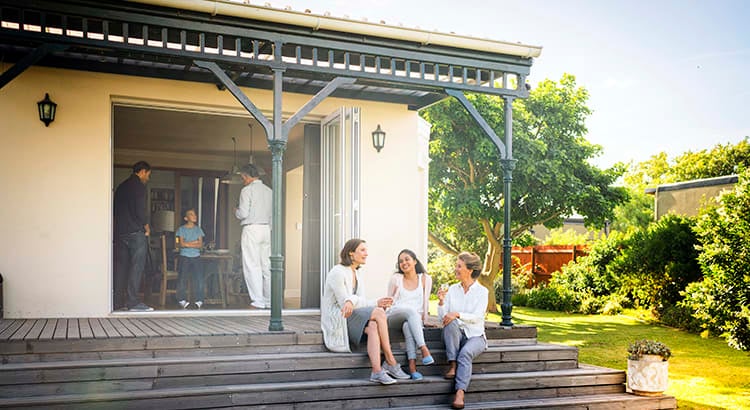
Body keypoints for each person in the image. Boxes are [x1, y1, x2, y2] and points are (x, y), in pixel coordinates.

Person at [321, 238, 411, 385]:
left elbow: (358, 302)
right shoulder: (337, 272)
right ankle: (390, 360)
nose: (366, 254)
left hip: (352, 316)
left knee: (374, 325)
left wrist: (374, 302)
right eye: (362, 250)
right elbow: (345, 302)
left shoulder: (357, 274)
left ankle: (376, 371)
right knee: (379, 312)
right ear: (351, 253)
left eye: (366, 250)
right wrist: (374, 303)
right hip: (339, 317)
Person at [437, 252, 488, 410]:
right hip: (455, 334)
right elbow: (443, 318)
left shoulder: (482, 292)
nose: (455, 269)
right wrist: (441, 302)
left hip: (476, 336)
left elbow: (477, 317)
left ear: (470, 270)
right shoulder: (452, 289)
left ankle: (460, 393)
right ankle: (453, 364)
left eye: (459, 266)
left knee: (465, 353)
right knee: (450, 323)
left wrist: (457, 314)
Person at [386, 249, 435, 380]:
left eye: (407, 259)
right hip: (395, 315)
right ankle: (424, 349)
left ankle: (412, 368)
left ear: (415, 261)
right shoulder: (396, 278)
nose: (404, 263)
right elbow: (388, 301)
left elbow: (426, 301)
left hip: (414, 319)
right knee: (410, 311)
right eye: (401, 261)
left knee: (408, 326)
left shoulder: (425, 279)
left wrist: (425, 320)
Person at [113, 161, 153, 312]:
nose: (147, 178)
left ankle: (117, 302)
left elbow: (115, 210)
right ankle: (133, 302)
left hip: (120, 232)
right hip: (135, 232)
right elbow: (140, 210)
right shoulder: (139, 187)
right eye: (148, 175)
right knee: (137, 267)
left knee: (121, 267)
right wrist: (146, 226)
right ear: (142, 171)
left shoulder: (121, 187)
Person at [234, 163, 272, 309]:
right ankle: (269, 300)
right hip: (266, 229)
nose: (243, 179)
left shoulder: (246, 190)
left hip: (251, 229)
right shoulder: (269, 191)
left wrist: (236, 211)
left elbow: (243, 213)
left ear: (246, 176)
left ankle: (258, 301)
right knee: (266, 266)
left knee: (252, 265)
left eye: (243, 177)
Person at [176, 208, 205, 309]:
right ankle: (181, 299)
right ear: (185, 218)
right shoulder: (181, 229)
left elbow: (200, 244)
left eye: (195, 214)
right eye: (191, 214)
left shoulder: (198, 229)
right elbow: (180, 244)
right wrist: (194, 243)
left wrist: (187, 243)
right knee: (182, 278)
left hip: (196, 256)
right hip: (184, 257)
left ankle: (199, 300)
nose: (195, 216)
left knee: (199, 278)